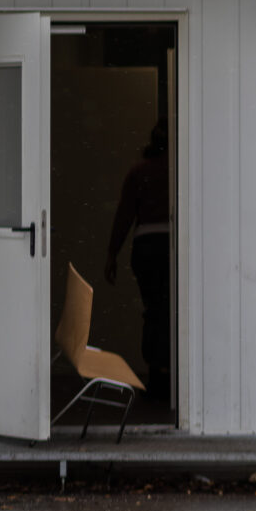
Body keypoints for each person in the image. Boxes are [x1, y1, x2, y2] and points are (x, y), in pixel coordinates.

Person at [106, 120, 172, 393]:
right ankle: (171, 371)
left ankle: (156, 371)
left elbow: (125, 215)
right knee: (172, 311)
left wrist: (112, 253)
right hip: (171, 244)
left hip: (146, 245)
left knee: (154, 309)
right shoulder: (179, 170)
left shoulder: (139, 172)